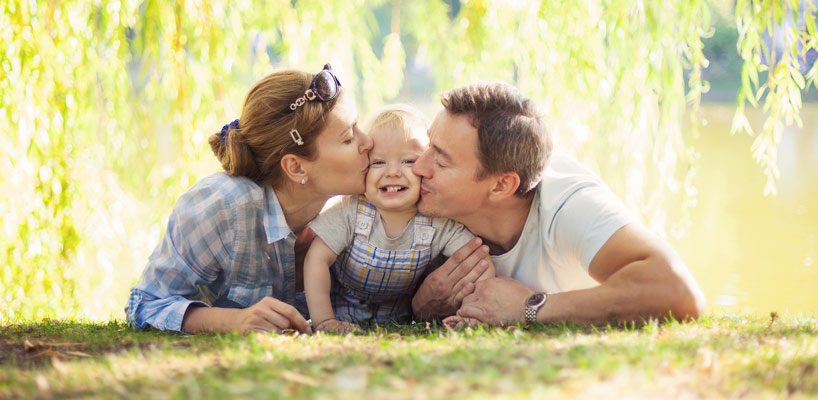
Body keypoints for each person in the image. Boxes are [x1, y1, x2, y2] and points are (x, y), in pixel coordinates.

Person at [409, 82, 706, 326]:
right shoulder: (418, 191)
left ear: (501, 185)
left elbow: (677, 290)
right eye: (428, 146)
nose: (418, 167)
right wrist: (420, 306)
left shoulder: (568, 203)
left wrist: (529, 308)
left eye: (441, 160)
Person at [125, 64, 374, 334]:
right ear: (296, 168)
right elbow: (145, 304)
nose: (368, 142)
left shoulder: (364, 208)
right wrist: (234, 321)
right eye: (349, 138)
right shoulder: (223, 206)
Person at [304, 105, 493, 333]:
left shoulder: (438, 221)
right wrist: (324, 320)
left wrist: (473, 312)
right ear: (363, 168)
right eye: (378, 162)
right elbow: (316, 259)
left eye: (408, 161)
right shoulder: (352, 210)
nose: (392, 172)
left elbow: (479, 265)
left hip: (403, 318)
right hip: (344, 311)